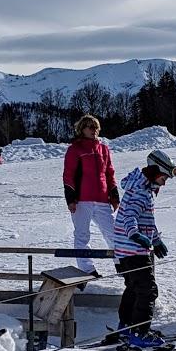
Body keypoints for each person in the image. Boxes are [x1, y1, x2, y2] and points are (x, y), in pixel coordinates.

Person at [110, 149, 176, 349]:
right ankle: (139, 333)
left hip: (126, 251)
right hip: (134, 250)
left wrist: (155, 240)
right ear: (154, 171)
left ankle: (126, 327)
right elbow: (129, 217)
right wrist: (134, 235)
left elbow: (146, 221)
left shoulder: (141, 188)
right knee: (148, 291)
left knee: (133, 289)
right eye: (164, 177)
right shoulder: (140, 192)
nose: (165, 182)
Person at [62, 115, 119, 275]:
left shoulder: (104, 149)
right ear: (82, 129)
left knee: (113, 234)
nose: (93, 129)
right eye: (88, 126)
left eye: (95, 126)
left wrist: (114, 195)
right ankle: (87, 270)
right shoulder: (75, 149)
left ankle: (122, 265)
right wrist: (71, 199)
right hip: (82, 201)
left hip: (102, 200)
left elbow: (109, 173)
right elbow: (69, 175)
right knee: (82, 236)